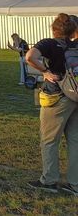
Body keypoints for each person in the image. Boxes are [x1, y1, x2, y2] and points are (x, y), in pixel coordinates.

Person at [25, 13, 78, 195]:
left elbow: (30, 56)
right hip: (75, 97)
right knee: (75, 141)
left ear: (54, 28)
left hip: (56, 97)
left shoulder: (49, 43)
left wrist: (45, 72)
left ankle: (49, 180)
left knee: (49, 141)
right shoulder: (75, 44)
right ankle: (75, 184)